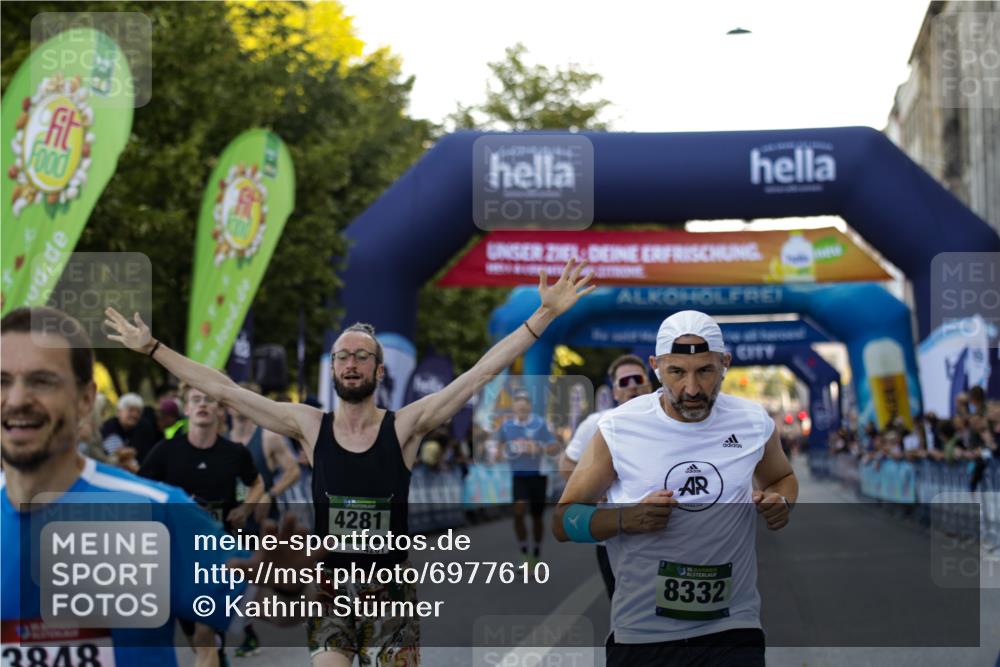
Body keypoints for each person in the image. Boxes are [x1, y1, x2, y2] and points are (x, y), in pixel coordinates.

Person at [104, 257, 595, 667]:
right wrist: (152, 348)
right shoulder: (308, 425)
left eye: (362, 356)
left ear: (378, 370)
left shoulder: (404, 426)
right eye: (343, 357)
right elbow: (222, 389)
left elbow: (478, 374)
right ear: (333, 368)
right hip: (330, 589)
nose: (352, 363)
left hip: (391, 591)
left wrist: (543, 316)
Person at [1, 307, 248, 667]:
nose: (18, 398)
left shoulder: (155, 511)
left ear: (86, 399)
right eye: (3, 381)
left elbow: (268, 607)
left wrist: (288, 588)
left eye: (42, 381)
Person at [553, 310, 798, 667]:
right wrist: (626, 519)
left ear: (725, 363)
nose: (692, 389)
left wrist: (782, 502)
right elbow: (563, 521)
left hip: (733, 628)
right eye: (677, 372)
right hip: (642, 635)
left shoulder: (752, 422)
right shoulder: (618, 428)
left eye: (705, 371)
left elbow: (782, 478)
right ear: (656, 366)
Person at [559, 353, 652, 598]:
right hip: (613, 537)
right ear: (615, 393)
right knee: (625, 608)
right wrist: (591, 494)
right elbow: (567, 462)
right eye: (624, 382)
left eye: (637, 379)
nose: (632, 385)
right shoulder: (598, 423)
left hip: (661, 533)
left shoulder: (670, 422)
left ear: (649, 383)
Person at [225, 382, 303, 658]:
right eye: (236, 399)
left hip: (262, 521)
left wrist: (270, 493)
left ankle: (256, 628)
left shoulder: (268, 436)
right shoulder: (223, 437)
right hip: (232, 520)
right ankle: (245, 633)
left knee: (255, 581)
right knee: (234, 578)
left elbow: (293, 470)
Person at [496, 389, 560, 564]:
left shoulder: (540, 424)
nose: (522, 411)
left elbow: (554, 447)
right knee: (518, 511)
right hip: (518, 476)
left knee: (537, 517)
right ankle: (524, 552)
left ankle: (536, 553)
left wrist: (538, 448)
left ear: (529, 408)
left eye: (525, 409)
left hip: (538, 475)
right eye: (519, 408)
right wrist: (499, 454)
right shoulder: (507, 426)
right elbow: (499, 446)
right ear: (514, 409)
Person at [101, 391, 163, 466]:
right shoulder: (109, 428)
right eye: (130, 410)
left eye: (138, 412)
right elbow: (118, 458)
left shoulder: (141, 429)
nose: (134, 415)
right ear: (119, 412)